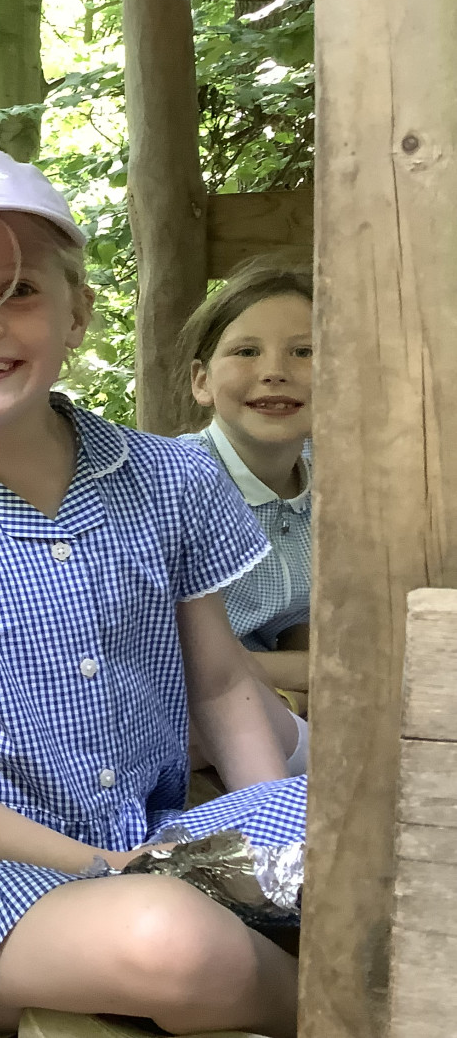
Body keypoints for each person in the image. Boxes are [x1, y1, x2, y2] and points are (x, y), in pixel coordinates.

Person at [0, 150, 305, 1038]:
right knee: (173, 943)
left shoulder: (172, 480)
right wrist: (94, 863)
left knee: (382, 814)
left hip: (157, 840)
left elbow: (224, 683)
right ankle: (352, 1007)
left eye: (19, 290)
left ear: (77, 314)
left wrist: (272, 847)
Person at [178, 261, 313, 759]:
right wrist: (313, 675)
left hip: (269, 702)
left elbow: (305, 617)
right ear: (202, 382)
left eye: (305, 351)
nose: (275, 371)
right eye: (246, 351)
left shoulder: (341, 481)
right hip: (181, 705)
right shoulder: (175, 484)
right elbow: (172, 658)